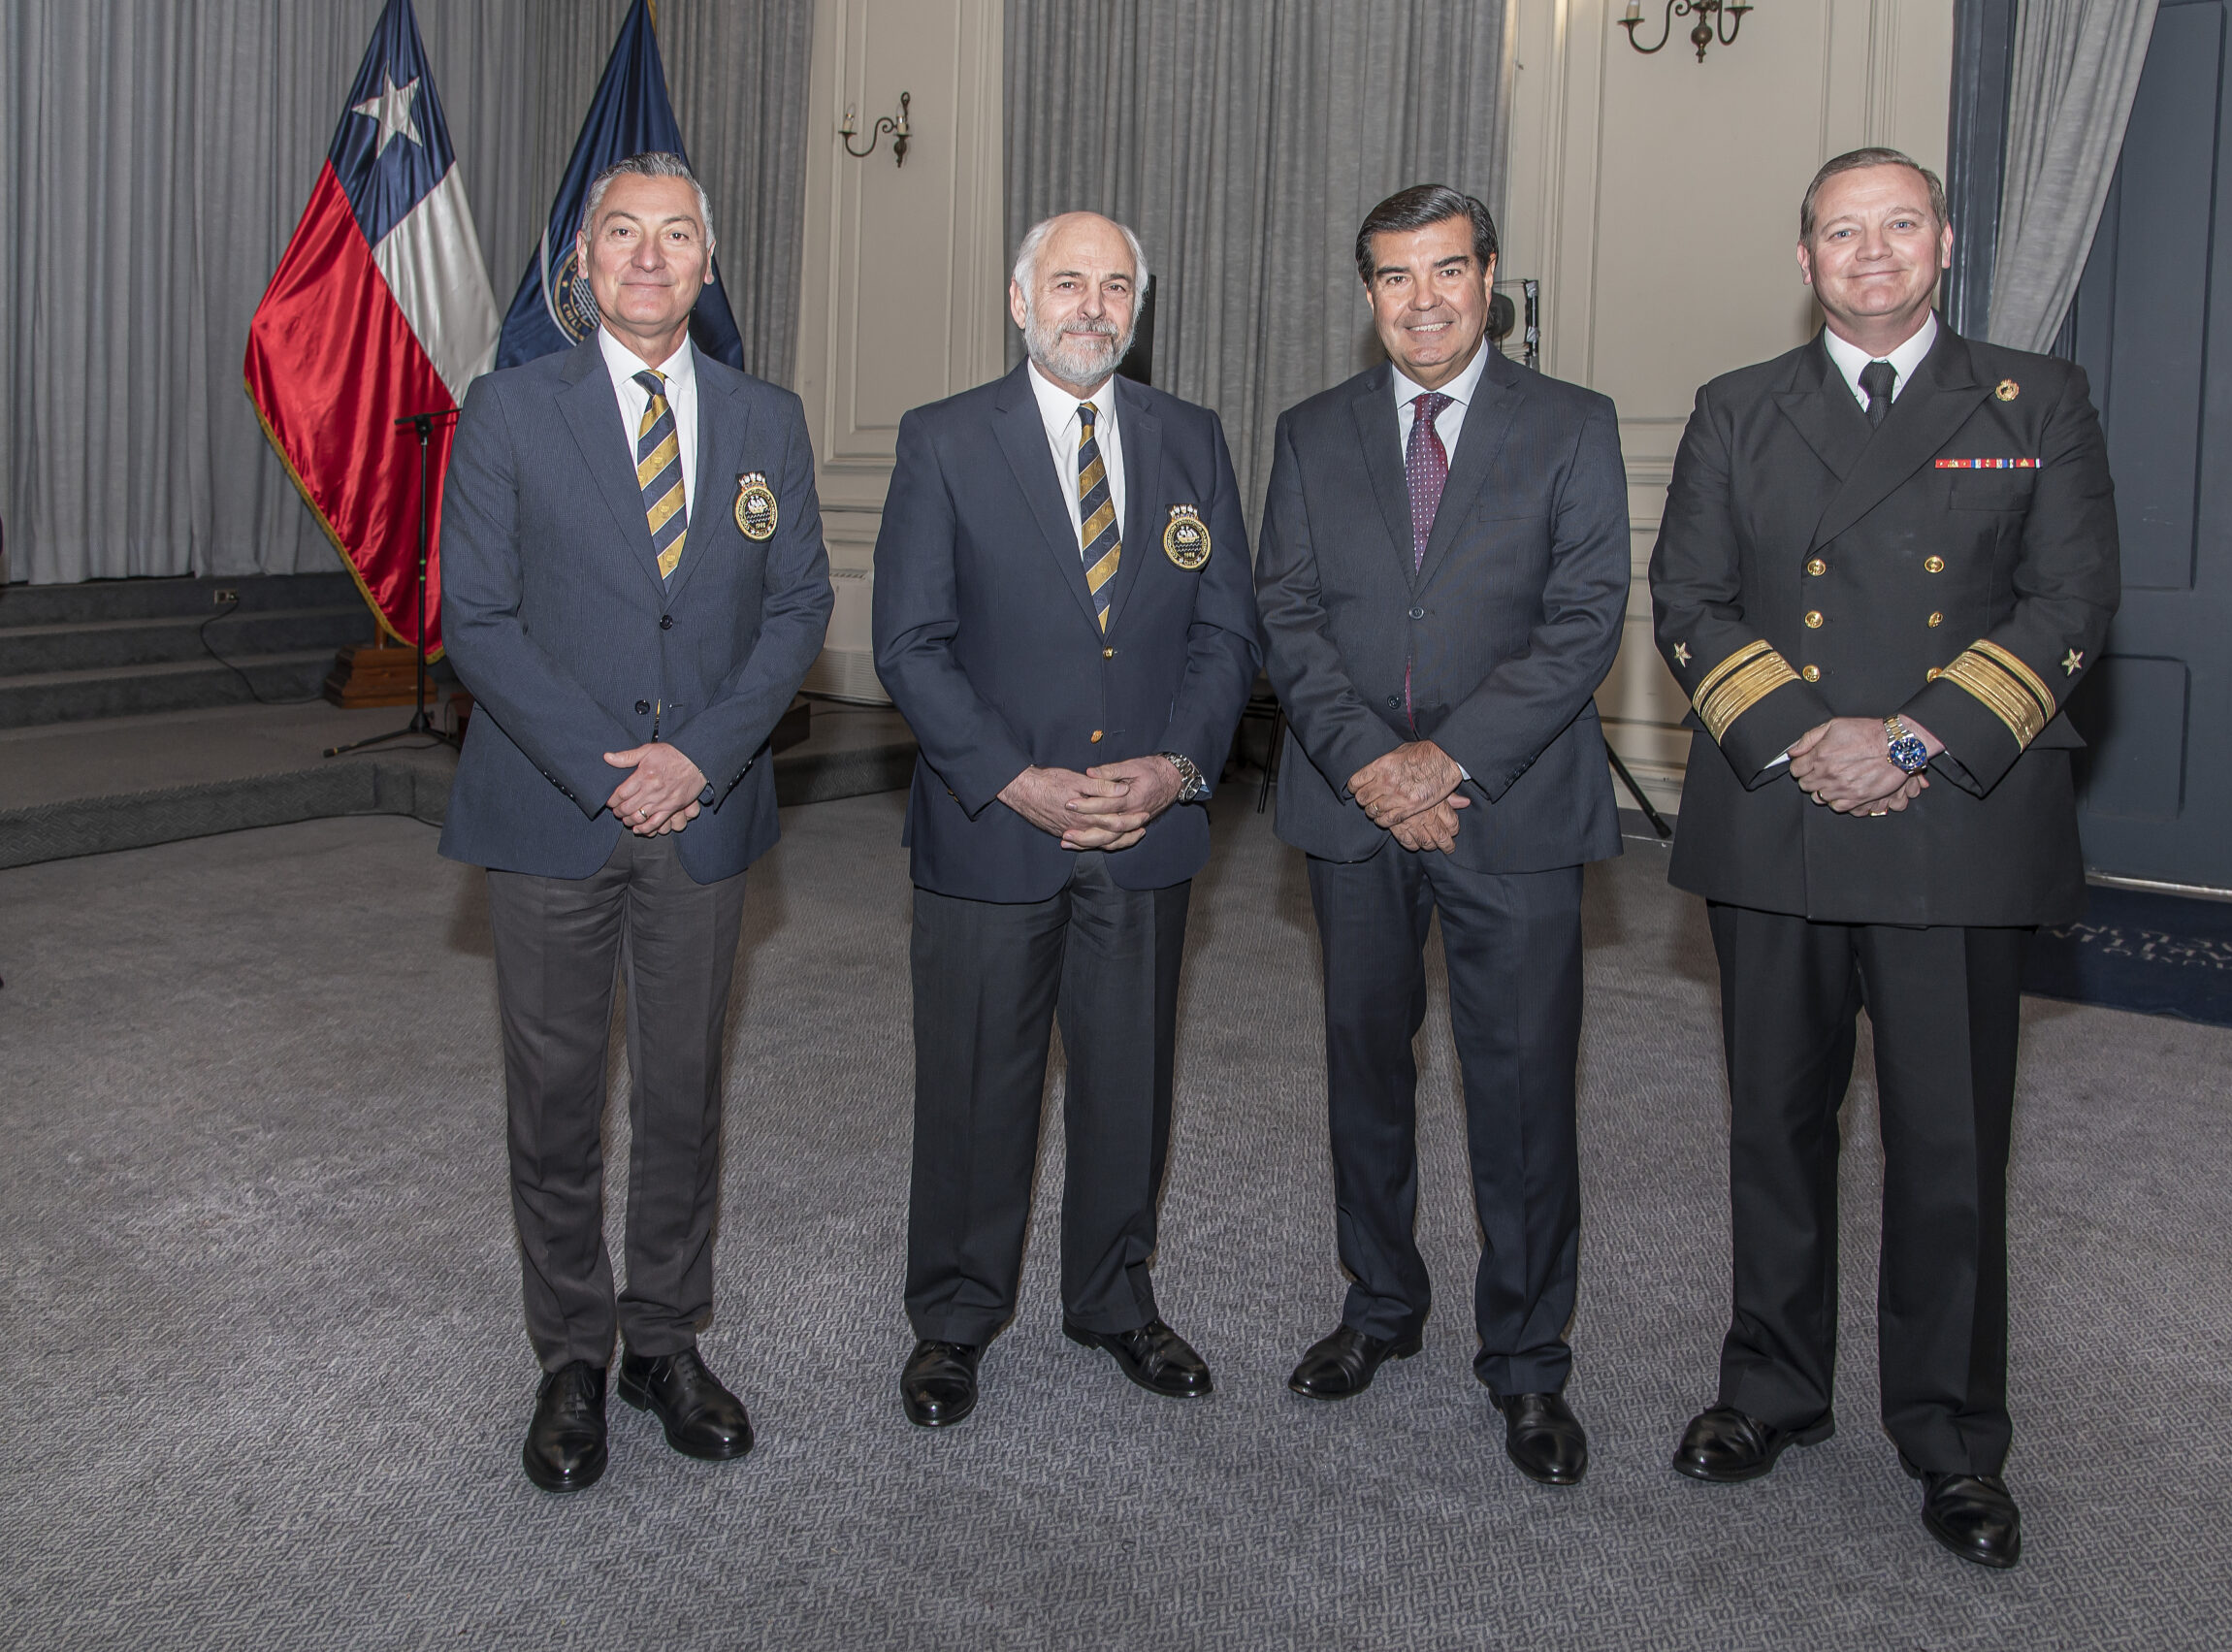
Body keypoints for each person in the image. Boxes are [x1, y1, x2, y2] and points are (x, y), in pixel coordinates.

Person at [1647, 147, 2119, 1568]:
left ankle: (1953, 1434)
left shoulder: (2035, 399)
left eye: (1898, 224)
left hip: (1953, 819)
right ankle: (1770, 1387)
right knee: (1773, 1124)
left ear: (1944, 244)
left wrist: (1909, 738)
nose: (1871, 251)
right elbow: (1689, 598)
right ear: (1804, 261)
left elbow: (2071, 600)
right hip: (1779, 810)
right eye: (1842, 231)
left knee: (1949, 1144)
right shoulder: (1738, 406)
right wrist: (1809, 736)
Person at [437, 151, 833, 1494]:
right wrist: (610, 768)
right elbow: (477, 616)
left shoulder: (767, 417)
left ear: (708, 265)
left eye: (675, 235)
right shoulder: (507, 410)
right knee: (555, 1098)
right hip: (553, 808)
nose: (650, 257)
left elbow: (799, 606)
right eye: (623, 233)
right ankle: (569, 1353)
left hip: (704, 814)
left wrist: (699, 757)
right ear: (584, 262)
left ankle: (663, 1339)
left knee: (683, 1090)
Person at [1255, 185, 1631, 1486]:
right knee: (1366, 1066)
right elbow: (1286, 612)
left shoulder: (1573, 424)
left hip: (1509, 805)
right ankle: (1379, 1304)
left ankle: (1526, 1358)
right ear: (1368, 292)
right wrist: (1373, 764)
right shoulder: (1310, 432)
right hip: (1350, 804)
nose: (1424, 300)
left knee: (1520, 1088)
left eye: (1448, 270)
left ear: (1490, 279)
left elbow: (1584, 618)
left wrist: (1445, 759)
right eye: (1396, 277)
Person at [871, 211, 1262, 1429]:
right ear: (1019, 299)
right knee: (975, 1084)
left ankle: (1113, 1297)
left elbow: (1226, 630)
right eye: (1067, 283)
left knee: (1128, 1080)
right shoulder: (943, 439)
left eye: (1115, 287)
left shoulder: (1190, 437)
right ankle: (953, 1316)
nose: (1091, 306)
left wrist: (1175, 769)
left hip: (1145, 831)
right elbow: (909, 643)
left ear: (1137, 309)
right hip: (994, 827)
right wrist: (1012, 776)